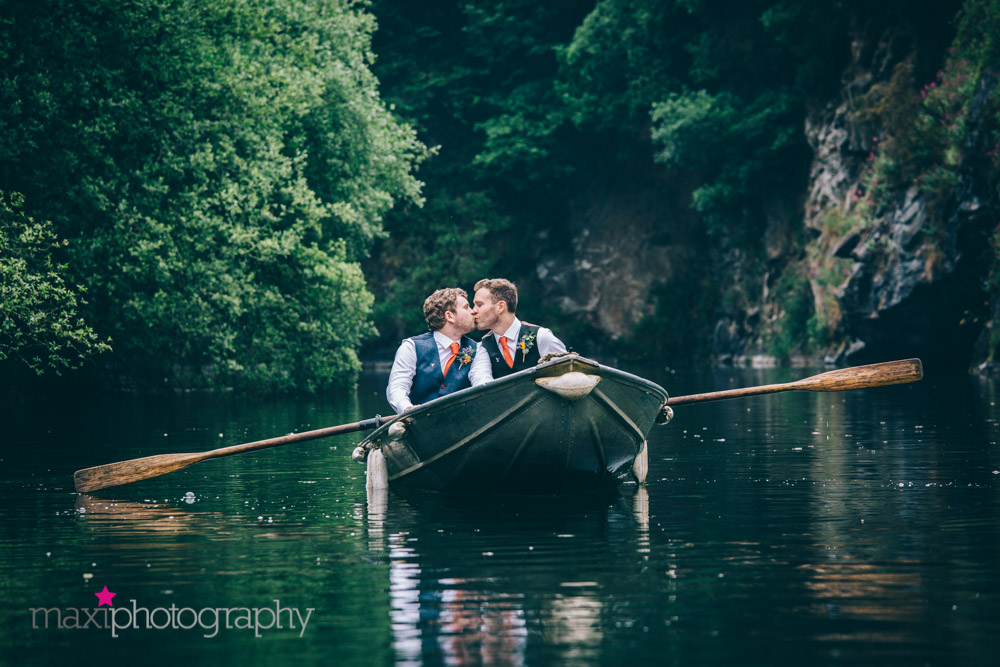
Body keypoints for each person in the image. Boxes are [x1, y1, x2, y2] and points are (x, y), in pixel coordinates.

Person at [386, 288, 477, 414]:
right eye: (466, 307)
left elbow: (482, 383)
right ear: (449, 316)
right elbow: (397, 388)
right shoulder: (411, 347)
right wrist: (407, 408)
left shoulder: (477, 349)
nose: (473, 312)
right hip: (420, 424)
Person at [468, 278, 566, 386]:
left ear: (500, 307)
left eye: (479, 305)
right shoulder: (482, 348)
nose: (473, 311)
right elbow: (482, 386)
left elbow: (567, 379)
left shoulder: (541, 337)